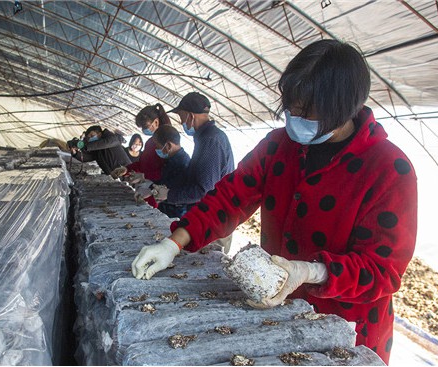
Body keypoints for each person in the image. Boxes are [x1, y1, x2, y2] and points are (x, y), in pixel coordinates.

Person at [130, 40, 417, 365]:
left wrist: (310, 271)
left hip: (345, 327)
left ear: (343, 107)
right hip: (276, 310)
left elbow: (383, 270)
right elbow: (230, 197)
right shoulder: (279, 146)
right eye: (291, 106)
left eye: (306, 111)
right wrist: (174, 243)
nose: (294, 117)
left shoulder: (387, 168)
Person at [112, 104, 173, 208]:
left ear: (156, 122)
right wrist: (126, 169)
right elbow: (143, 164)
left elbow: (168, 172)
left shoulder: (168, 143)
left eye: (146, 127)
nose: (144, 130)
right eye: (142, 128)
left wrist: (144, 177)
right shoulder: (150, 142)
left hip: (160, 194)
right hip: (148, 189)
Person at [134, 125, 191, 219]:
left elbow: (170, 187)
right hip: (166, 206)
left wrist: (150, 189)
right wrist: (149, 187)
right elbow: (164, 181)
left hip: (175, 211)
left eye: (157, 146)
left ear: (168, 145)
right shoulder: (172, 158)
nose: (157, 149)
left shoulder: (181, 163)